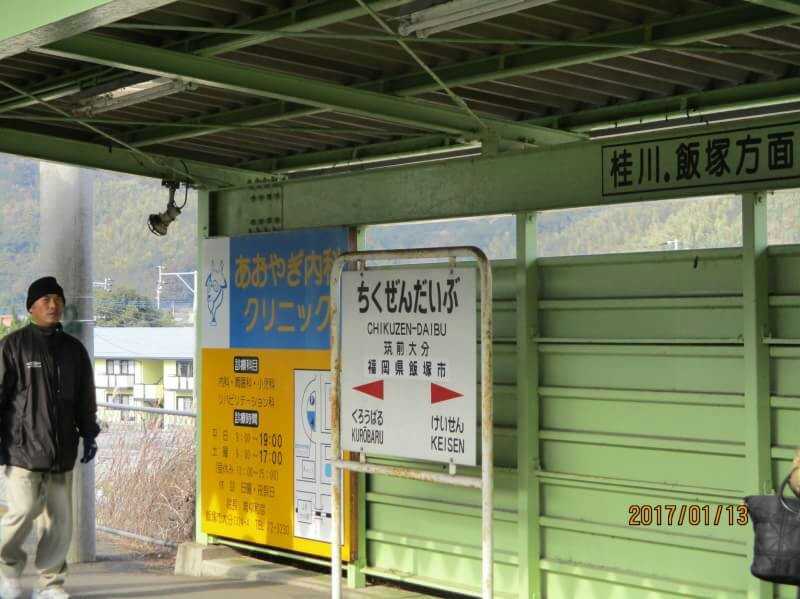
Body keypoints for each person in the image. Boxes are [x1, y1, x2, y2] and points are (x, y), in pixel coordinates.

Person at [0, 277, 99, 599]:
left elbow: (85, 397)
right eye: (45, 300)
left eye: (57, 299)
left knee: (59, 523)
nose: (53, 305)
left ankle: (50, 585)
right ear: (31, 307)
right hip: (22, 450)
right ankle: (7, 569)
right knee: (22, 511)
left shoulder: (74, 350)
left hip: (62, 451)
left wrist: (89, 432)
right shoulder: (13, 346)